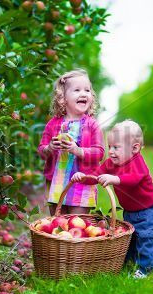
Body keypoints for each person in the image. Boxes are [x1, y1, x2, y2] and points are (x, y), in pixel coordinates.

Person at [72, 120, 153, 279]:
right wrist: (83, 177)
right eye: (109, 147)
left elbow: (133, 179)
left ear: (134, 148)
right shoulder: (110, 163)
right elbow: (95, 175)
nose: (111, 152)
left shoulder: (138, 162)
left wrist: (115, 179)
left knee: (146, 238)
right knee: (131, 239)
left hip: (149, 211)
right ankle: (128, 262)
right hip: (130, 211)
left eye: (116, 147)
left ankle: (146, 267)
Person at [37, 69, 104, 216]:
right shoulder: (53, 124)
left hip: (82, 183)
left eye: (87, 90)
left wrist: (78, 150)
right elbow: (41, 150)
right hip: (56, 182)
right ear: (63, 98)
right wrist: (50, 148)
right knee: (57, 224)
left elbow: (99, 153)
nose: (84, 93)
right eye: (77, 90)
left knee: (77, 223)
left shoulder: (92, 124)